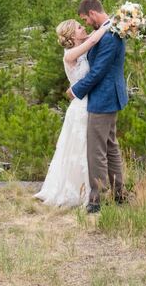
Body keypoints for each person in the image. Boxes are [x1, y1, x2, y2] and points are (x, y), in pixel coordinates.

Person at [34, 17, 109, 207]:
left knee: (87, 148)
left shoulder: (81, 46)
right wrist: (110, 25)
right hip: (81, 106)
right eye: (79, 27)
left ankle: (90, 188)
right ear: (72, 35)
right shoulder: (69, 55)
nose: (83, 28)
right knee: (81, 148)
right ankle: (79, 192)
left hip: (89, 102)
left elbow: (93, 37)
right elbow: (93, 40)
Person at [68, 0, 128, 213]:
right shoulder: (110, 28)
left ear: (92, 13)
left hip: (103, 98)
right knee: (111, 147)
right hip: (110, 96)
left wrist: (76, 90)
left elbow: (98, 72)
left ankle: (96, 200)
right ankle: (119, 194)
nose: (85, 24)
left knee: (97, 151)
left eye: (85, 19)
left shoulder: (110, 35)